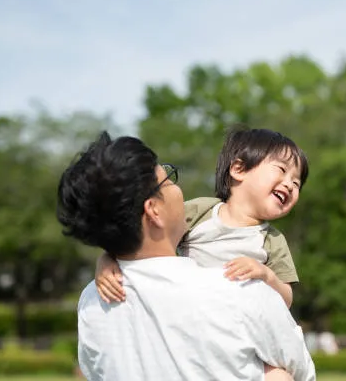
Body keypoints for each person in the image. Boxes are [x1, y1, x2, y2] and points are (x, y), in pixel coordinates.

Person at [57, 131, 315, 380]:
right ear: (154, 210)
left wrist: (109, 258)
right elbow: (301, 370)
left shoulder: (93, 302)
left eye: (297, 182)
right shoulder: (245, 294)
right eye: (168, 180)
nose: (179, 191)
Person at [95, 127, 309, 309]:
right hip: (186, 307)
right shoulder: (203, 211)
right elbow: (145, 233)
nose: (290, 184)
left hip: (236, 320)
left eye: (297, 183)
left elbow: (286, 300)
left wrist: (266, 275)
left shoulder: (272, 240)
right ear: (239, 169)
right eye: (281, 170)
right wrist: (107, 260)